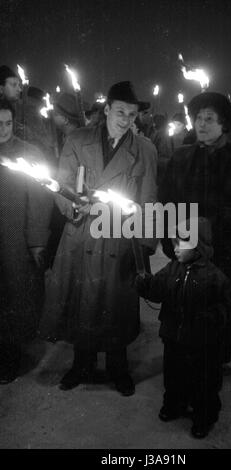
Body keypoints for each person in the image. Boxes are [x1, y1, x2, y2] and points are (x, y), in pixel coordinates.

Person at [40, 81, 158, 396]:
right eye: (120, 111)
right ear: (106, 109)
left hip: (119, 240)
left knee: (115, 304)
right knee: (83, 304)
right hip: (81, 236)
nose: (126, 119)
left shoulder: (145, 149)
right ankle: (82, 365)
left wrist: (144, 248)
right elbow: (62, 183)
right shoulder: (77, 140)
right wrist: (72, 207)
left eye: (132, 114)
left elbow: (148, 200)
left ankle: (118, 369)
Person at [159, 91, 231, 358]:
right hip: (186, 248)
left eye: (209, 118)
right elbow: (167, 201)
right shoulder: (181, 158)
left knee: (216, 320)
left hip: (225, 253)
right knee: (183, 317)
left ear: (224, 123)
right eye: (198, 118)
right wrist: (169, 240)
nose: (201, 124)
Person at [136, 217, 231, 439]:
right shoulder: (172, 268)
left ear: (199, 246)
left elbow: (226, 309)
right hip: (173, 337)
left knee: (203, 381)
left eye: (181, 244)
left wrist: (210, 319)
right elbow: (157, 290)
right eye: (175, 243)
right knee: (174, 375)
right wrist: (145, 284)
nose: (175, 249)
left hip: (202, 341)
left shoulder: (215, 277)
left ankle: (203, 416)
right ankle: (174, 404)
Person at [0, 98, 52, 384]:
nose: (3, 130)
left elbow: (39, 201)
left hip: (14, 239)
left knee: (13, 297)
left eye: (8, 123)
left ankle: (9, 356)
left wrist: (36, 242)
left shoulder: (27, 153)